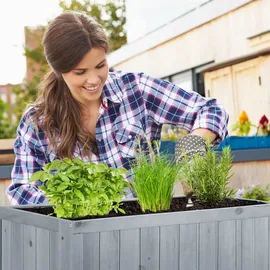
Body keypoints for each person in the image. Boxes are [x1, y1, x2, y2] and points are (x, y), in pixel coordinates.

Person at [6, 11, 229, 205]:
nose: (94, 79)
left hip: (142, 232)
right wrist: (77, 205)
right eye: (80, 72)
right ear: (59, 70)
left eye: (100, 66)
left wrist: (194, 143)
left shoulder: (136, 90)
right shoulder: (38, 122)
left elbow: (210, 109)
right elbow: (22, 189)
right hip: (75, 240)